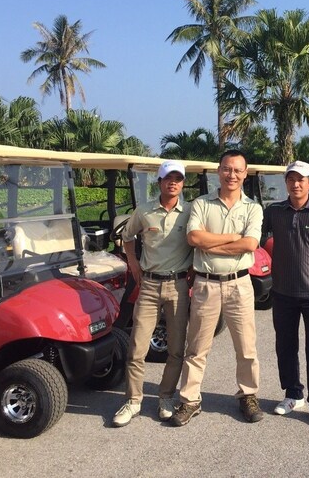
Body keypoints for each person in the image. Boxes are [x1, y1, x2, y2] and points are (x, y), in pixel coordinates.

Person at [170, 149, 264, 426]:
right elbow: (193, 238)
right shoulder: (201, 203)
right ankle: (190, 400)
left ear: (245, 174)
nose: (231, 174)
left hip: (240, 284)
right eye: (226, 168)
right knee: (197, 347)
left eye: (237, 170)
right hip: (205, 284)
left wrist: (212, 244)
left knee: (246, 347)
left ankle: (248, 395)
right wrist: (232, 239)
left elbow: (250, 244)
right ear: (218, 171)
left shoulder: (253, 208)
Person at [112, 160, 192, 427]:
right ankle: (134, 401)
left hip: (178, 286)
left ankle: (166, 397)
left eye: (178, 179)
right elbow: (126, 237)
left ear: (182, 183)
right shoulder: (144, 211)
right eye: (168, 178)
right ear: (159, 182)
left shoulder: (190, 212)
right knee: (137, 347)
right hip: (149, 286)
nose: (173, 183)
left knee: (176, 348)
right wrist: (133, 263)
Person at [262, 160, 309, 429]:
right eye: (291, 179)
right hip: (282, 293)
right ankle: (293, 395)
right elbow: (254, 236)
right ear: (285, 183)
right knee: (285, 347)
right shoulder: (274, 212)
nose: (295, 184)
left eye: (301, 179)